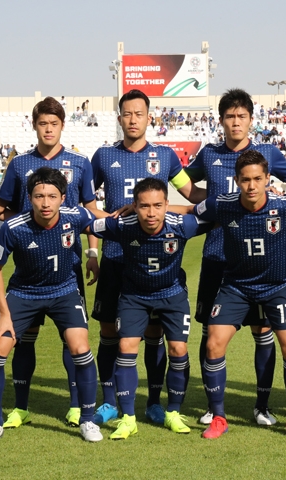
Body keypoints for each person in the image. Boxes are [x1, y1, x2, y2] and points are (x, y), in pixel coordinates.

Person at [185, 88, 286, 426]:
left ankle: (262, 406)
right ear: (221, 120)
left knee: (262, 331)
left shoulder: (267, 152)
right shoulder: (209, 154)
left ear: (251, 119)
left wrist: (278, 200)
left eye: (241, 116)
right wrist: (208, 200)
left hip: (260, 261)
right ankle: (213, 407)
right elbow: (185, 183)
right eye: (229, 117)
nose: (235, 122)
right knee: (210, 332)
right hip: (217, 256)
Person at [90, 89, 206, 428]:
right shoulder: (103, 156)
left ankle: (154, 402)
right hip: (116, 257)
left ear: (149, 117)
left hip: (154, 259)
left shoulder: (166, 157)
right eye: (127, 114)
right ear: (119, 118)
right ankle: (109, 402)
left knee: (155, 334)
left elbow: (190, 192)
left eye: (139, 114)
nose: (133, 119)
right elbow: (86, 203)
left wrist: (228, 196)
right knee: (109, 333)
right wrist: (109, 227)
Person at [0, 167, 105, 445]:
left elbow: (106, 221)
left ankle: (88, 419)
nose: (45, 203)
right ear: (30, 198)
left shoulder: (76, 216)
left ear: (63, 198)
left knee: (80, 347)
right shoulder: (13, 227)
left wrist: (132, 212)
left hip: (64, 292)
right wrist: (4, 315)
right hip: (24, 294)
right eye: (39, 196)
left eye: (52, 196)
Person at [0, 96, 100, 429]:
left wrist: (92, 253)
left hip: (67, 267)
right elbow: (5, 207)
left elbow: (90, 213)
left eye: (54, 123)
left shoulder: (80, 162)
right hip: (29, 267)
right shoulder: (19, 164)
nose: (48, 129)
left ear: (62, 126)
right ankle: (20, 407)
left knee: (73, 338)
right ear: (35, 125)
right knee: (25, 338)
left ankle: (76, 406)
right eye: (43, 123)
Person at [193, 150, 286, 441]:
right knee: (213, 344)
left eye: (258, 179)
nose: (251, 185)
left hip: (277, 287)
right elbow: (189, 211)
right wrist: (143, 208)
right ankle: (218, 417)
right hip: (236, 287)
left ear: (268, 178)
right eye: (245, 180)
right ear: (237, 180)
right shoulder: (222, 204)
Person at [93, 178, 212, 439]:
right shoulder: (122, 225)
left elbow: (215, 212)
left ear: (167, 205)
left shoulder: (182, 225)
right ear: (134, 206)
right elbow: (85, 222)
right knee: (126, 347)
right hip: (134, 297)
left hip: (172, 296)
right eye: (144, 206)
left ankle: (173, 412)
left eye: (158, 205)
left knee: (178, 349)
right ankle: (128, 419)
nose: (151, 213)